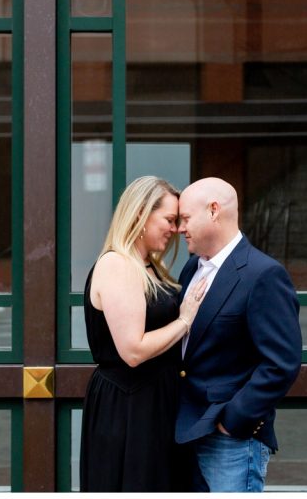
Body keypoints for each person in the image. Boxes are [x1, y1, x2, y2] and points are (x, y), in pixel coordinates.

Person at [79, 175, 209, 492]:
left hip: (153, 403)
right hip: (129, 409)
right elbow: (133, 351)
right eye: (169, 219)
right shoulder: (117, 265)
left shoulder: (148, 266)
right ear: (140, 214)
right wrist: (185, 320)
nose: (176, 229)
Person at [174, 177, 303, 492]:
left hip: (229, 442)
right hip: (183, 433)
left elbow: (282, 363)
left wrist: (233, 421)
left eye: (186, 218)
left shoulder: (264, 274)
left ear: (214, 211)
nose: (179, 228)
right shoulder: (191, 269)